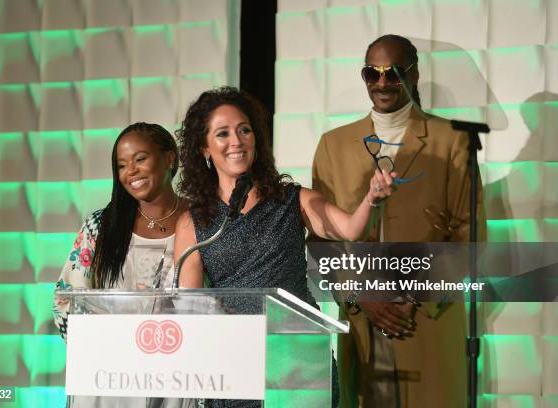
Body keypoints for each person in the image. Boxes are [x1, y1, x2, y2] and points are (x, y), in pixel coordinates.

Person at [174, 86, 397, 408]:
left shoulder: (292, 199)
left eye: (244, 130)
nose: (236, 141)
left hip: (298, 357)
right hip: (233, 363)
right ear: (204, 149)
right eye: (222, 134)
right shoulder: (193, 222)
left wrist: (371, 199)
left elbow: (350, 228)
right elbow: (189, 309)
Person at [312, 34, 485, 407]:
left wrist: (415, 295)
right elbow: (322, 239)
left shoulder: (453, 140)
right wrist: (360, 294)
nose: (382, 83)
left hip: (427, 321)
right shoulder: (333, 145)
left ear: (415, 74)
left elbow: (469, 233)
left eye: (393, 73)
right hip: (360, 325)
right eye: (371, 74)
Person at [53, 122, 194, 408]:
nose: (131, 171)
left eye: (140, 159)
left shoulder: (202, 221)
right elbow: (65, 301)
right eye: (122, 165)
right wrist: (107, 352)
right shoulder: (100, 226)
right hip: (109, 380)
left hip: (177, 378)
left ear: (169, 158)